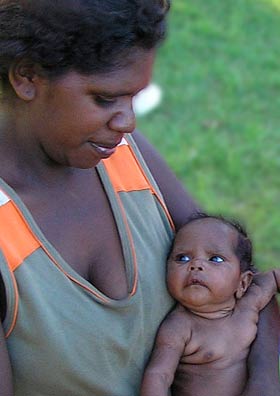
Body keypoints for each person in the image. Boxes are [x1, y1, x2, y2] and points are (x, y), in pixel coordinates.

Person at [0, 1, 278, 395]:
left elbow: (243, 277)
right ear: (26, 76)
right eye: (105, 99)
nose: (127, 121)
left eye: (133, 98)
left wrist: (265, 383)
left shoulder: (123, 155)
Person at [141, 213, 280, 396]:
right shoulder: (180, 327)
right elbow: (159, 375)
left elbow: (274, 278)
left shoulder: (249, 303)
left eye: (215, 259)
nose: (196, 265)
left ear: (243, 283)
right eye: (182, 258)